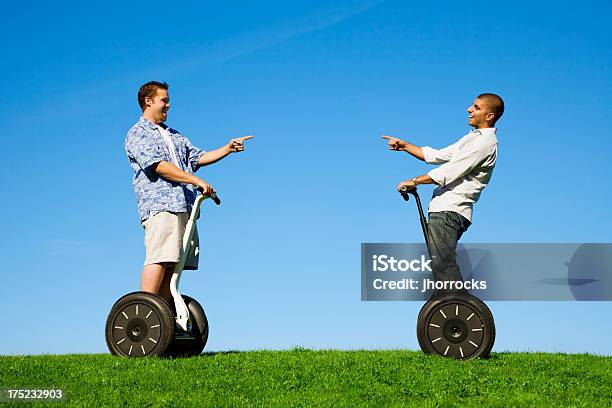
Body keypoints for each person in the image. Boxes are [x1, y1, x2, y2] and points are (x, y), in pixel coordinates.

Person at [125, 81, 253, 306]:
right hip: (161, 205)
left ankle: (163, 320)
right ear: (148, 101)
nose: (168, 105)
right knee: (160, 258)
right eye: (164, 100)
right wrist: (194, 179)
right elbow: (158, 165)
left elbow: (196, 158)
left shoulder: (173, 135)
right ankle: (144, 311)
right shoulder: (138, 133)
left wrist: (227, 148)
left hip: (184, 206)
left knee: (174, 264)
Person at [382, 93, 504, 297]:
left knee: (443, 263)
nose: (469, 109)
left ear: (489, 115)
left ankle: (459, 307)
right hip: (443, 209)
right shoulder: (473, 138)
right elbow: (438, 155)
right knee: (440, 264)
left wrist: (414, 181)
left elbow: (449, 171)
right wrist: (405, 146)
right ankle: (451, 304)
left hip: (451, 210)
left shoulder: (485, 144)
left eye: (476, 107)